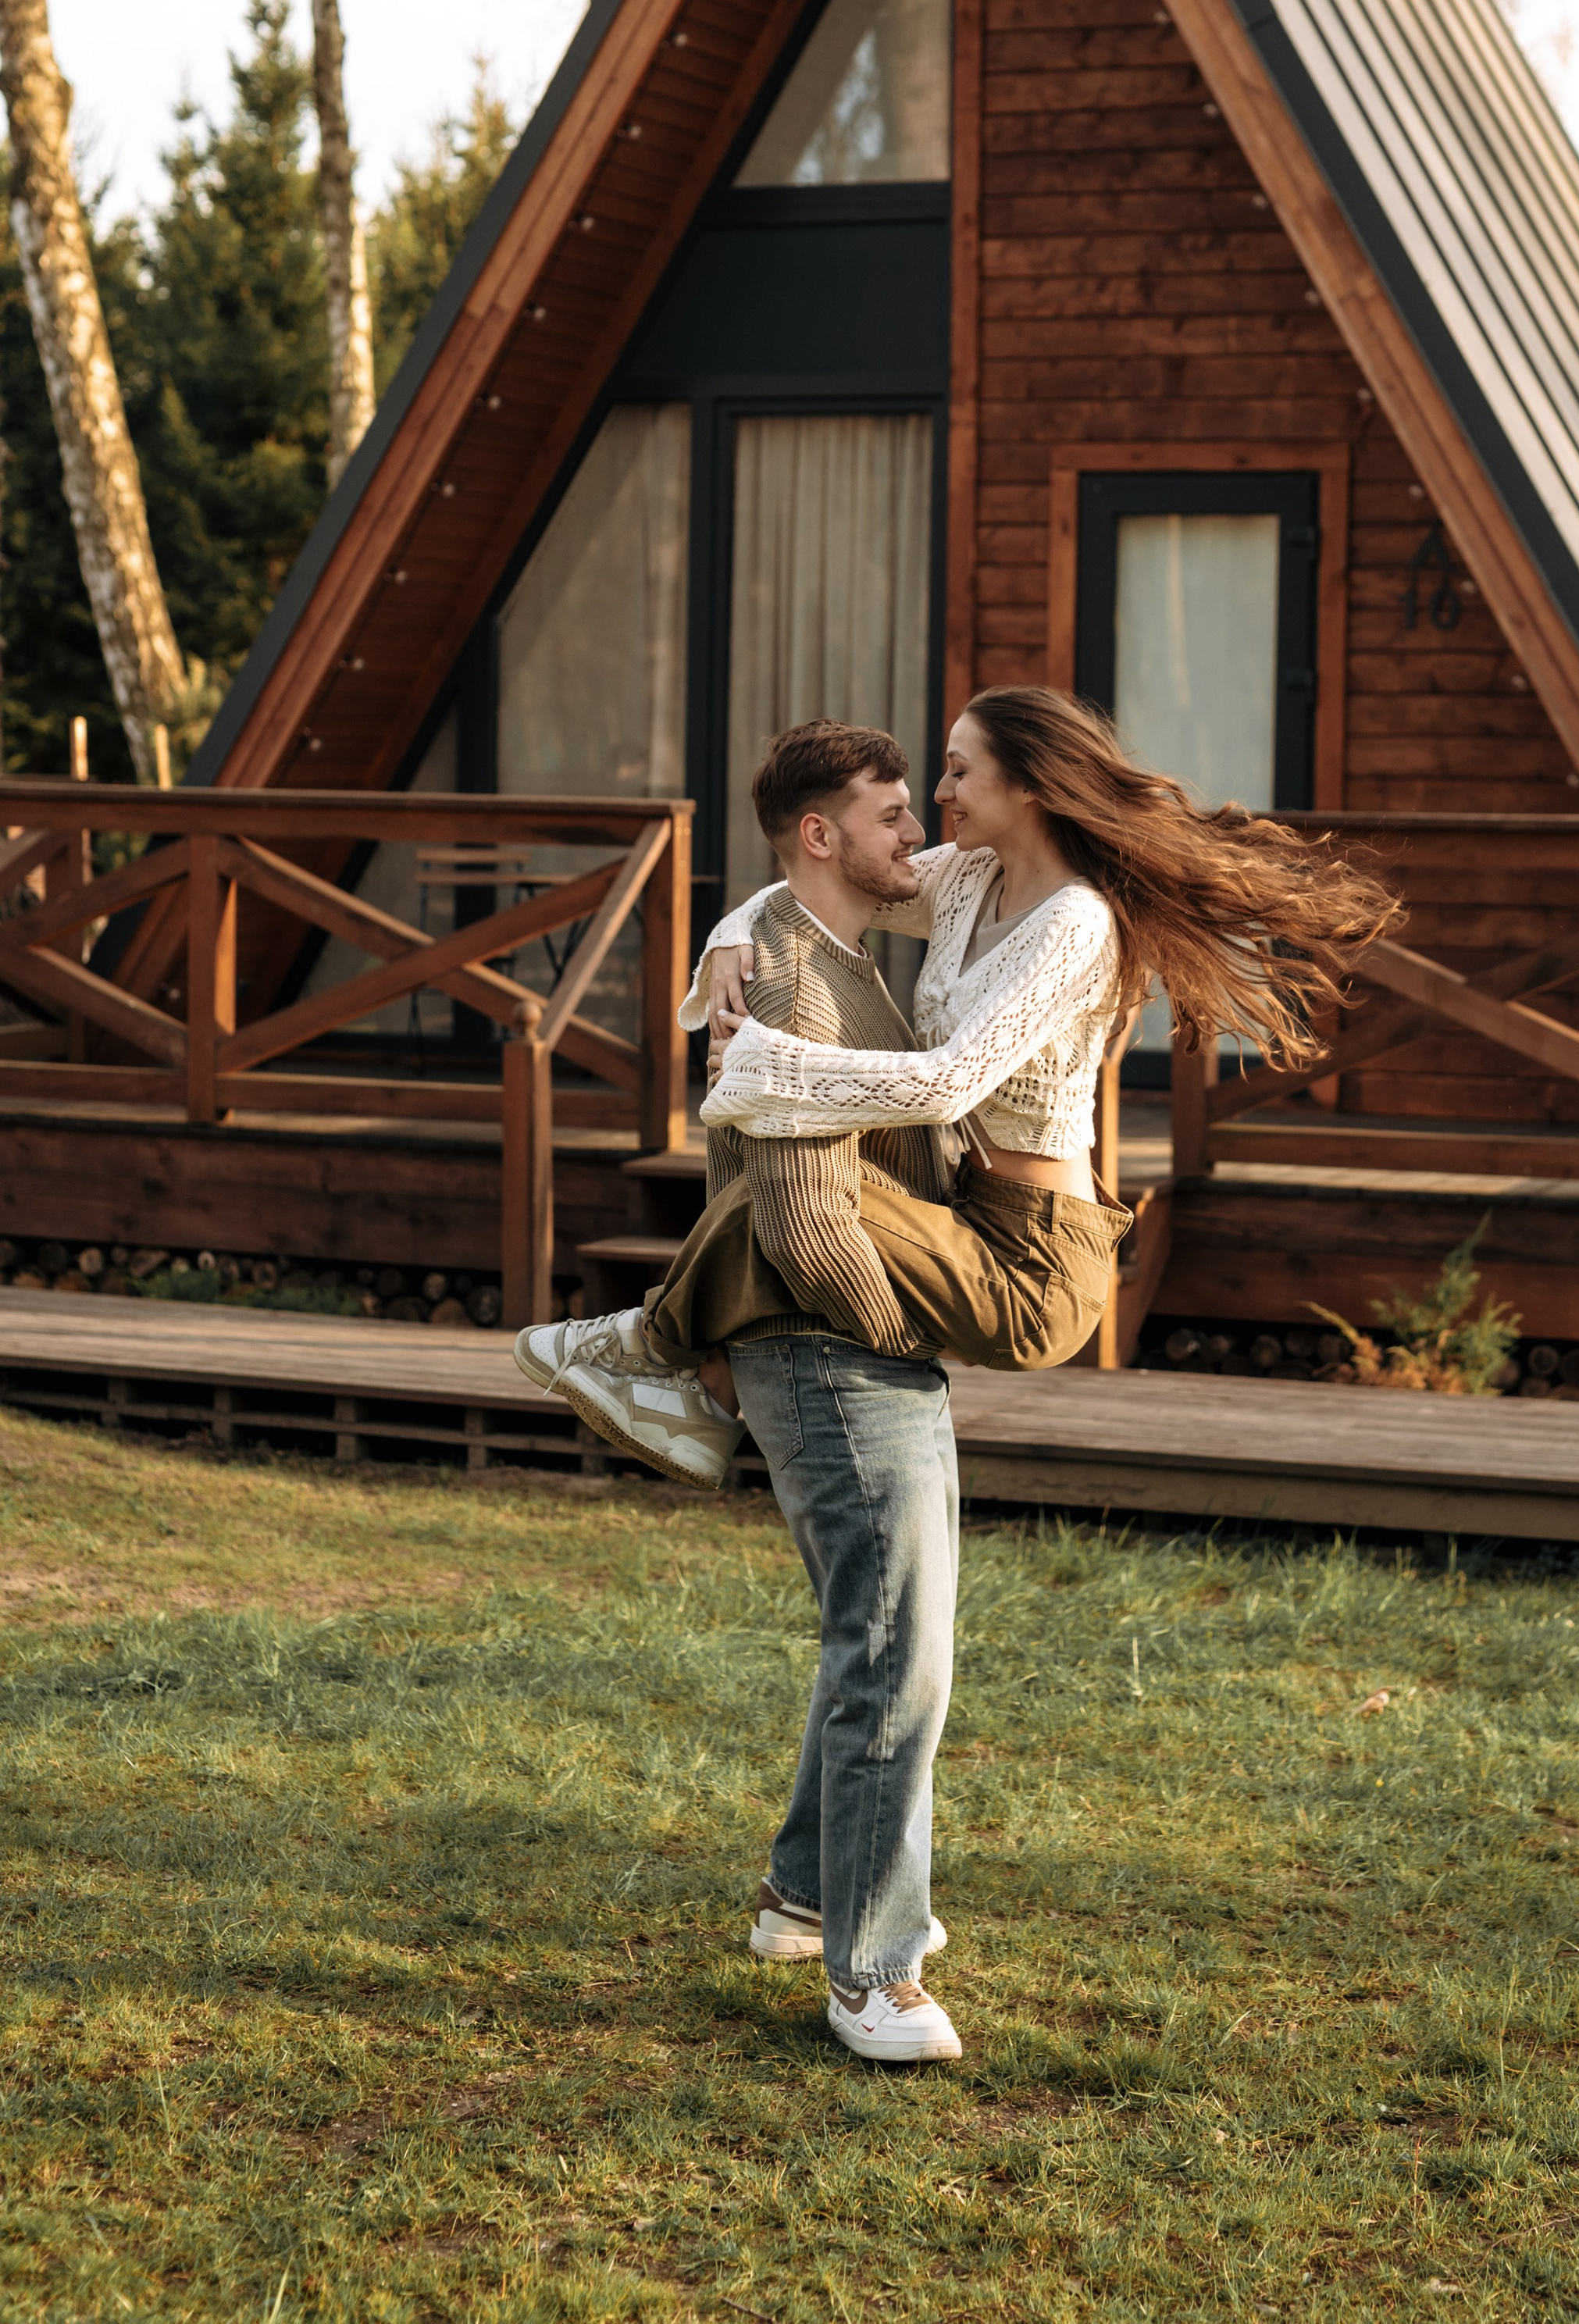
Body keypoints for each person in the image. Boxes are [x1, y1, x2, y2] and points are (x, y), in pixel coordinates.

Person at [526, 686, 1395, 2069]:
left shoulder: (1074, 925)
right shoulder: (975, 879)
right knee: (888, 1636)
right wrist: (726, 947)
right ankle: (832, 1927)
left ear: (1032, 785)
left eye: (957, 771)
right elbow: (805, 885)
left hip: (1037, 1250)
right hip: (958, 1223)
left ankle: (644, 1346)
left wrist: (753, 1074)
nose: (933, 798)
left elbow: (940, 1083)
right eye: (927, 779)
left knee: (789, 1213)